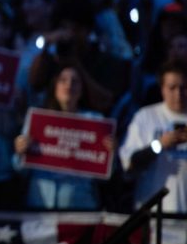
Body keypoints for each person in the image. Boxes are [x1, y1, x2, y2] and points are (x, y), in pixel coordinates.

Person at [15, 66, 109, 209]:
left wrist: (110, 154)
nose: (69, 85)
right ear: (54, 86)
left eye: (75, 81)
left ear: (82, 89)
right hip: (39, 206)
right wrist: (20, 151)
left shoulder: (96, 121)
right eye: (63, 80)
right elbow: (20, 169)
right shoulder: (39, 120)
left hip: (79, 208)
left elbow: (104, 176)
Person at [120, 61, 187, 211]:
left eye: (183, 87)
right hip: (154, 215)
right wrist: (159, 145)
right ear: (162, 89)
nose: (178, 94)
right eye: (172, 88)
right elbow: (130, 164)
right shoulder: (145, 117)